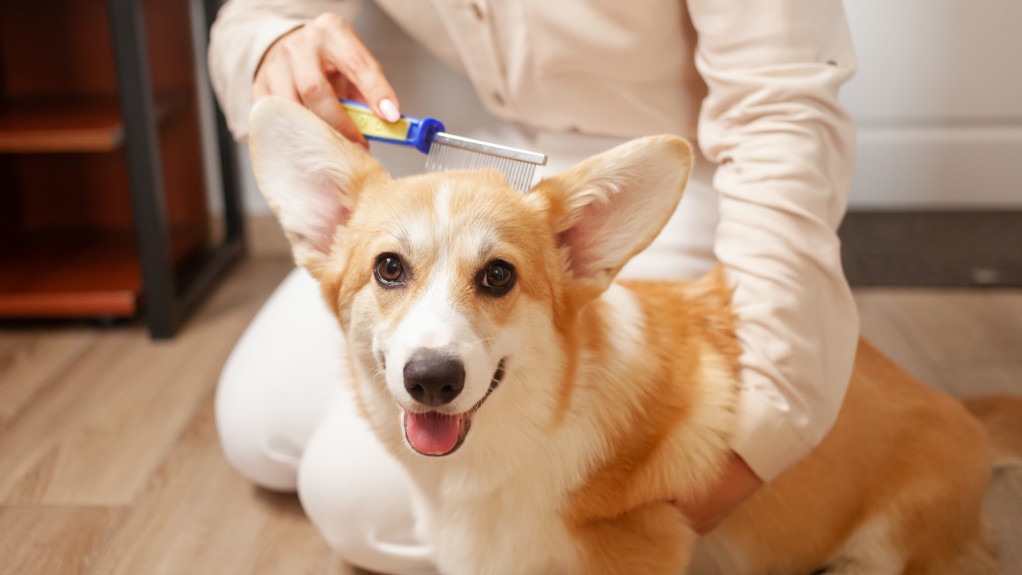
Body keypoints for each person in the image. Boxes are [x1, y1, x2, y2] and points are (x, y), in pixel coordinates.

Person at [208, 1, 860, 573]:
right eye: (389, 270)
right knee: (253, 426)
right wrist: (272, 47)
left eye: (494, 280)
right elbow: (249, 20)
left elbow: (783, 108)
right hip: (496, 155)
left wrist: (768, 420)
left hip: (682, 165)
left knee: (347, 497)